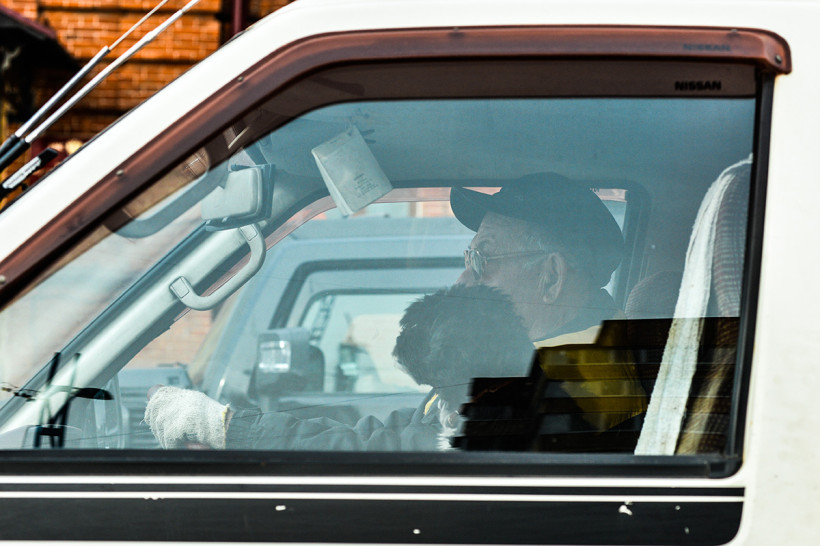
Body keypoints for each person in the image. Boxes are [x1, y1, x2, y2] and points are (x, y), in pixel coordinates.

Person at [145, 172, 646, 449]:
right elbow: (405, 434)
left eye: (482, 259)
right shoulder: (541, 364)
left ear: (551, 277)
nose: (463, 279)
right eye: (467, 259)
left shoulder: (567, 384)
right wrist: (237, 427)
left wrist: (227, 428)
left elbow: (392, 455)